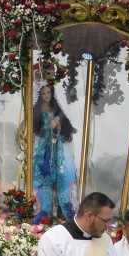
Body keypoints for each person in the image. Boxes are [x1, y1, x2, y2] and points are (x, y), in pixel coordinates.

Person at [33, 83, 78, 220]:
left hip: (58, 152)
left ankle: (63, 212)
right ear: (39, 96)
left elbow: (66, 130)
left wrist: (58, 127)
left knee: (61, 179)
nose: (47, 95)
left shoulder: (57, 109)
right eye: (43, 93)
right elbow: (36, 132)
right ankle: (44, 212)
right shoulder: (37, 112)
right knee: (45, 181)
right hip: (44, 153)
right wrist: (49, 128)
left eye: (48, 92)